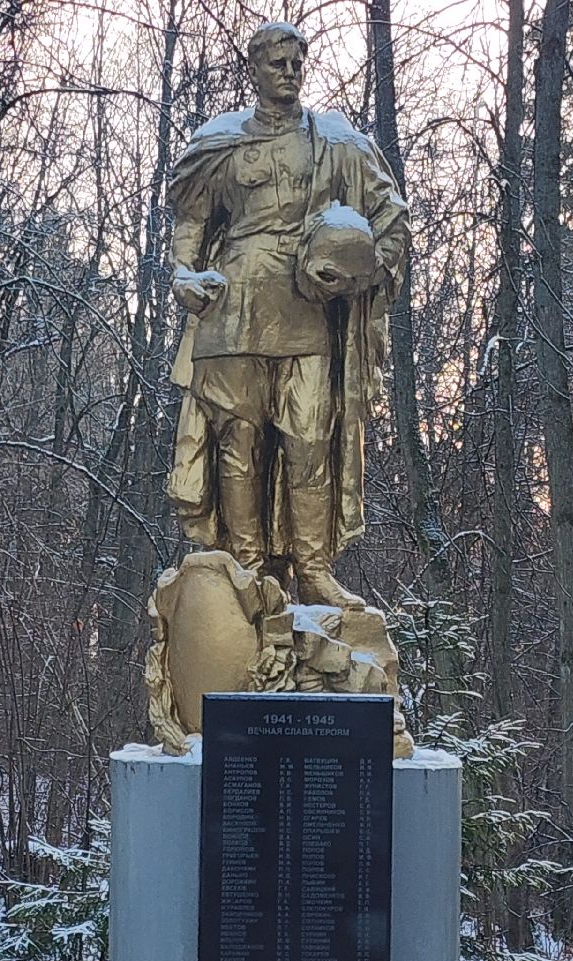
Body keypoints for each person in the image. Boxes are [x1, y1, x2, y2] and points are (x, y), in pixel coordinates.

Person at [164, 20, 409, 610]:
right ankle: (246, 568)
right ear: (252, 69)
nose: (290, 72)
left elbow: (390, 216)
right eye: (278, 63)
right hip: (234, 310)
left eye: (298, 62)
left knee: (309, 439)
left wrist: (361, 273)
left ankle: (314, 567)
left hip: (306, 313)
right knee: (237, 442)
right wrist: (182, 277)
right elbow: (192, 224)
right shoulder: (222, 144)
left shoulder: (337, 143)